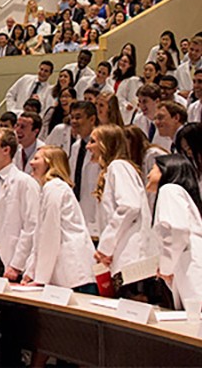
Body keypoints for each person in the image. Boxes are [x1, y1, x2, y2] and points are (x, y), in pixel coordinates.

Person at [87, 124, 155, 299]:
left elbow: (129, 206)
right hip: (123, 257)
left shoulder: (119, 167)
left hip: (132, 260)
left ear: (106, 144)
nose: (88, 146)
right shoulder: (111, 170)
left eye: (93, 141)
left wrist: (105, 247)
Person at [22, 145, 97, 292]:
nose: (31, 163)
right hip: (64, 273)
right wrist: (31, 272)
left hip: (73, 272)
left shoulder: (55, 188)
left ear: (49, 163)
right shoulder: (49, 188)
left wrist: (39, 279)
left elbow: (50, 235)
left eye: (37, 159)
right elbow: (40, 237)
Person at [0, 128, 39, 280]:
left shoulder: (25, 183)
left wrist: (17, 265)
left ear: (6, 149)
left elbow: (32, 227)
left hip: (18, 267)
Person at [148, 154, 202, 309]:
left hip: (192, 265)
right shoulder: (176, 192)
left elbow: (177, 230)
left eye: (153, 169)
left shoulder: (169, 189)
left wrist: (166, 267)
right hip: (188, 263)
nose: (148, 174)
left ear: (167, 171)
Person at [69, 101, 101, 237]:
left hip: (97, 215)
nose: (74, 121)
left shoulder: (102, 146)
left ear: (92, 119)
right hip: (79, 211)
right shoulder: (76, 146)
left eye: (78, 117)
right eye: (72, 117)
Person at [133, 84, 172, 150]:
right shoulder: (138, 120)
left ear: (157, 101)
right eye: (140, 101)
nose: (142, 105)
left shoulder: (168, 121)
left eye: (145, 101)